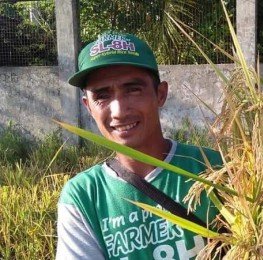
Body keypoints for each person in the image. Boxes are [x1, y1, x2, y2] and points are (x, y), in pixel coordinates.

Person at [56, 31, 222, 259]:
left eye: (133, 89)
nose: (119, 111)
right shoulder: (83, 197)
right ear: (88, 106)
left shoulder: (215, 169)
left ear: (160, 94)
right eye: (102, 96)